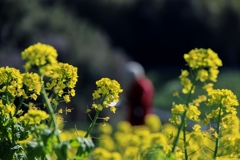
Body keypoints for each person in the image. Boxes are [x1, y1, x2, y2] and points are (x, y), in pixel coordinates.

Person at [124, 61, 155, 125]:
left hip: (140, 118)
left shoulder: (141, 85)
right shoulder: (140, 83)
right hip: (137, 116)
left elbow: (143, 101)